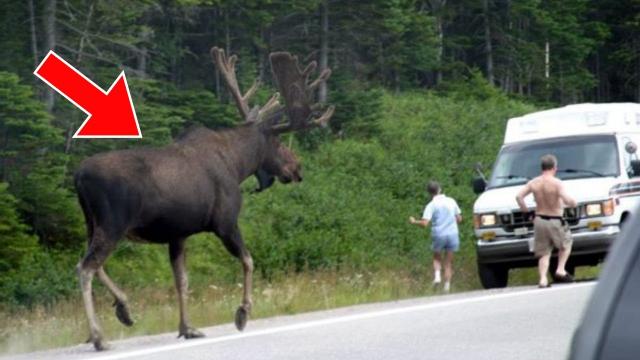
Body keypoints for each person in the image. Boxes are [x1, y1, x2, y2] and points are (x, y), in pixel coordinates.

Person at [515, 154, 577, 288]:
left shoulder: (534, 182)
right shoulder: (557, 183)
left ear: (542, 167)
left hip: (539, 219)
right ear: (554, 167)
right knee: (566, 244)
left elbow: (519, 197)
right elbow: (567, 199)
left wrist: (526, 213)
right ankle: (560, 269)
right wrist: (573, 203)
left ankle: (543, 279)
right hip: (555, 219)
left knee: (544, 252)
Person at [409, 181, 462, 293]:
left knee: (437, 257)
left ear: (429, 192)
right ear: (440, 189)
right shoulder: (451, 201)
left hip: (439, 234)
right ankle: (447, 287)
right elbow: (459, 219)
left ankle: (437, 277)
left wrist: (414, 222)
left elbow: (424, 224)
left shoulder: (431, 205)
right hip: (452, 233)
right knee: (448, 262)